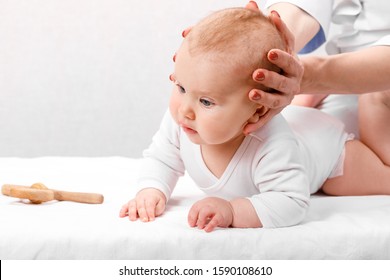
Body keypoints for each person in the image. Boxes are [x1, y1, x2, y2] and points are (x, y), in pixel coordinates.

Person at [119, 8, 390, 232]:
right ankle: (316, 96)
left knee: (372, 179)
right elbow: (161, 158)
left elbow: (291, 201)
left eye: (206, 102)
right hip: (303, 117)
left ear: (258, 112)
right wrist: (152, 190)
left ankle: (377, 98)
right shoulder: (182, 120)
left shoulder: (271, 142)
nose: (184, 110)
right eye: (180, 87)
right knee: (300, 110)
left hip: (329, 151)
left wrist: (233, 210)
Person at [245, 0, 390, 165]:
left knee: (335, 167)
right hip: (341, 84)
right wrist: (271, 41)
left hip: (375, 89)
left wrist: (307, 76)